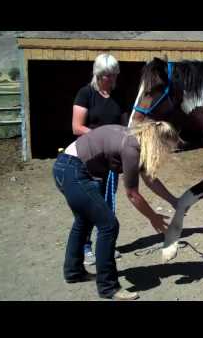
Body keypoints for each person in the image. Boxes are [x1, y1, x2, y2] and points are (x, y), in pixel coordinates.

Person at [53, 121, 180, 300]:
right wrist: (153, 218)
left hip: (69, 168)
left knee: (84, 220)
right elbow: (132, 194)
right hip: (72, 170)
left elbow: (150, 179)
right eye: (166, 149)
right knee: (108, 225)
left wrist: (174, 201)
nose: (165, 154)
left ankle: (74, 272)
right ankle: (108, 287)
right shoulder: (131, 147)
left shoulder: (136, 141)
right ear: (157, 143)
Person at [72, 53, 128, 266]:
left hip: (110, 160)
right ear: (99, 74)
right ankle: (85, 247)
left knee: (108, 204)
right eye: (108, 76)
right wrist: (104, 138)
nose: (112, 80)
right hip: (91, 156)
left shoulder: (118, 96)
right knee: (90, 205)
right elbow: (77, 127)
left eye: (114, 75)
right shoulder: (85, 94)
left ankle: (105, 245)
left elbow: (125, 126)